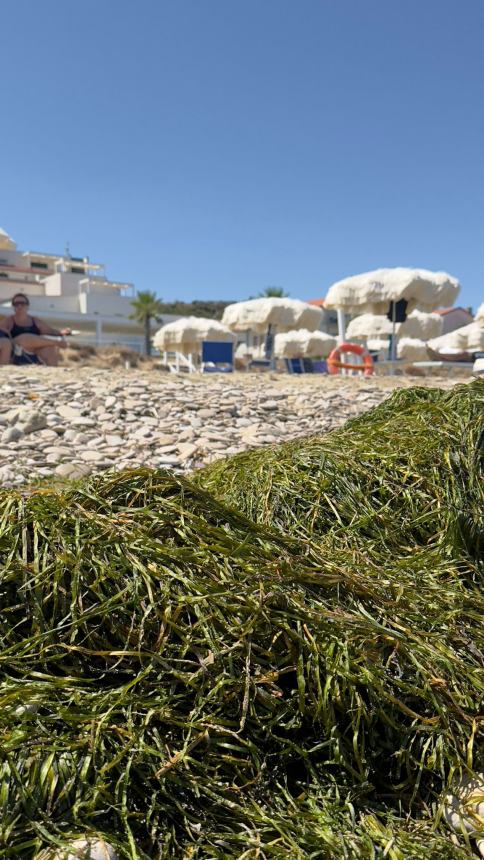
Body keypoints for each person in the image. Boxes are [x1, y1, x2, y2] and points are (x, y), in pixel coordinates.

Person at [0, 293, 71, 366]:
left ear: (27, 306)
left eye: (22, 303)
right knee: (24, 338)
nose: (19, 306)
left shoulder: (35, 321)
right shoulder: (9, 320)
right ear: (13, 307)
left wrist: (61, 332)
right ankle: (57, 342)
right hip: (17, 351)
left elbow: (50, 331)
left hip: (34, 351)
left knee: (50, 349)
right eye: (16, 304)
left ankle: (53, 372)